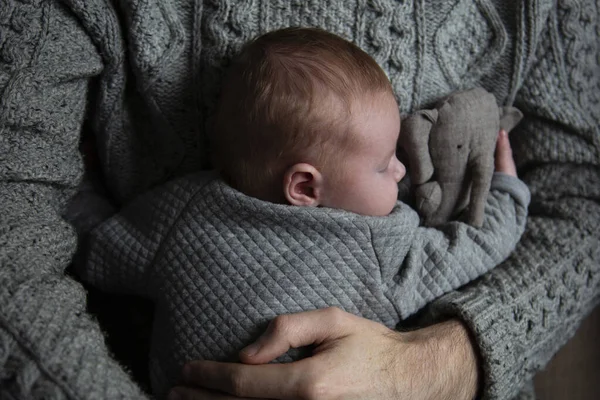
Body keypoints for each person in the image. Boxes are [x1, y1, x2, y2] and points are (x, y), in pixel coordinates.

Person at [1, 1, 598, 400]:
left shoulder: (180, 211)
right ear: (306, 186)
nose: (402, 169)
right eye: (386, 160)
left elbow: (97, 242)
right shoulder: (380, 240)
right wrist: (510, 193)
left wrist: (445, 362)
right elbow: (472, 241)